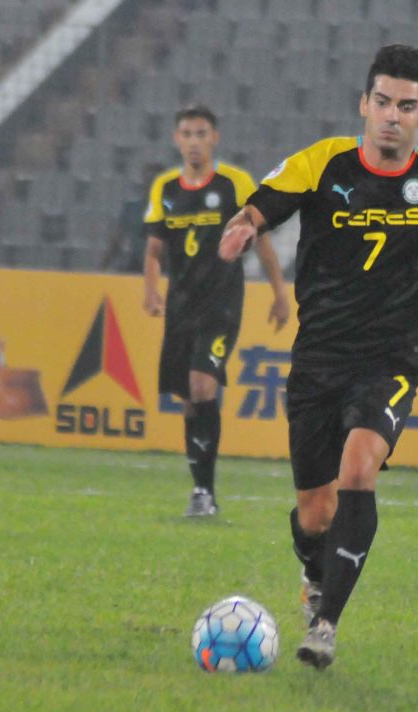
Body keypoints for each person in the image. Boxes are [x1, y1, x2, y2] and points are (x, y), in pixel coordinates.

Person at [219, 45, 418, 670]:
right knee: (315, 516)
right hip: (317, 360)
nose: (393, 115)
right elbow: (264, 203)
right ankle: (316, 575)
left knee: (359, 467)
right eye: (384, 102)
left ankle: (325, 627)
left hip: (390, 356)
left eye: (407, 106)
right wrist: (243, 225)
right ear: (364, 105)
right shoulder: (321, 164)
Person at [143, 104, 290, 517]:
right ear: (177, 139)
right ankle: (200, 489)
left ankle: (205, 494)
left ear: (214, 138)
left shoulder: (234, 184)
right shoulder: (165, 189)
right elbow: (154, 248)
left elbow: (260, 239)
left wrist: (280, 292)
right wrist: (151, 290)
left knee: (204, 385)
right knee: (190, 398)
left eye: (201, 133)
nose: (194, 141)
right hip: (180, 304)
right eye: (187, 134)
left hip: (222, 301)